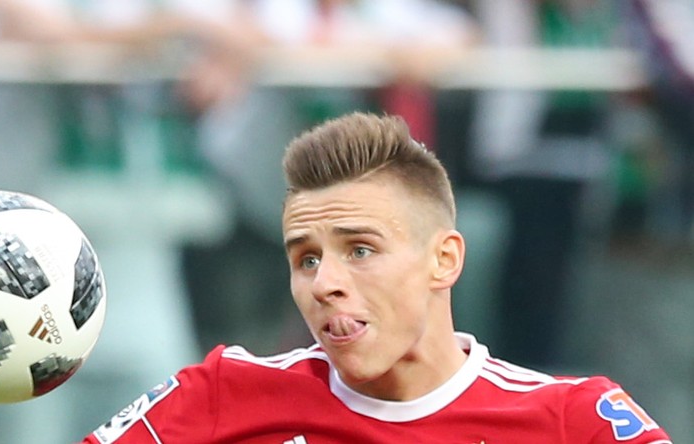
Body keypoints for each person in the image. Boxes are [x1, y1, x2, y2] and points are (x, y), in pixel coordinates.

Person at [80, 112, 671, 443]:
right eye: (306, 259)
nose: (324, 283)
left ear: (444, 260)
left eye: (360, 250)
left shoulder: (576, 422)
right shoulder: (221, 394)